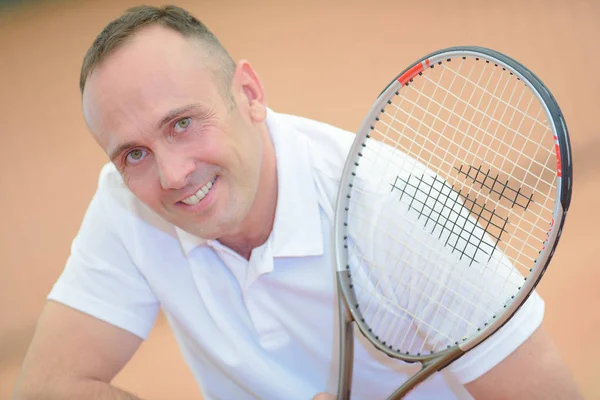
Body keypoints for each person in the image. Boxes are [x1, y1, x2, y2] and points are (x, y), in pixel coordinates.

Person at [13, 5, 582, 400]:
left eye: (183, 123)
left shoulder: (400, 211)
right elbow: (48, 388)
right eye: (132, 153)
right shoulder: (125, 203)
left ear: (250, 95)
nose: (172, 174)